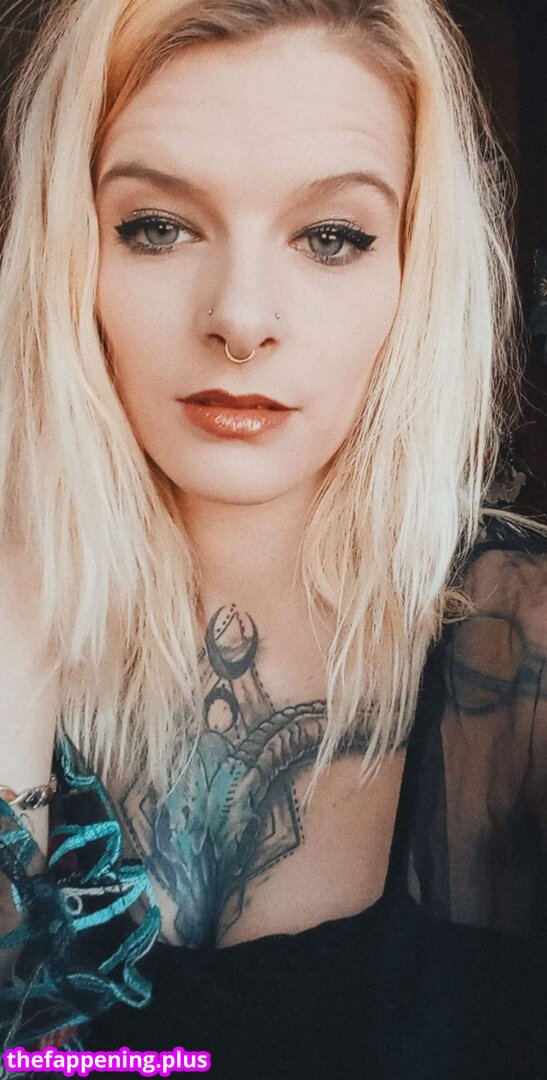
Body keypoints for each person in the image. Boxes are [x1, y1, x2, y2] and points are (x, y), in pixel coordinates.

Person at [0, 0, 546, 1077]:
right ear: (63, 253)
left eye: (330, 236)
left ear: (415, 271)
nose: (241, 317)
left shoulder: (519, 658)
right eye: (157, 227)